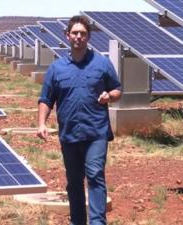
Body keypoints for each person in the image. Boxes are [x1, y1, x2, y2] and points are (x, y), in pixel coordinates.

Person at [37, 15, 122, 225]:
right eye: (74, 33)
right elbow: (46, 98)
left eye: (83, 33)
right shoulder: (57, 68)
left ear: (88, 37)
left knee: (94, 175)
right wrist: (41, 123)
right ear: (67, 35)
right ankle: (77, 221)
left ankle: (97, 222)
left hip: (96, 132)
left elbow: (117, 88)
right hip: (69, 133)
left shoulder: (102, 64)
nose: (78, 37)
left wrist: (109, 96)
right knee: (74, 182)